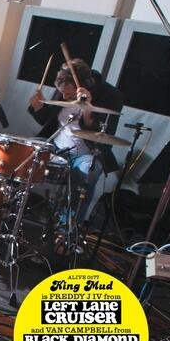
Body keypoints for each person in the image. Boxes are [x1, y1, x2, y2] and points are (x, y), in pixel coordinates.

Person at [28, 58, 123, 225]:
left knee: (88, 172)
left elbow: (105, 132)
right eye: (61, 93)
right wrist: (38, 106)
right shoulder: (64, 87)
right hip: (56, 146)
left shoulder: (111, 96)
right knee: (23, 152)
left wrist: (88, 109)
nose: (64, 97)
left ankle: (68, 227)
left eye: (68, 94)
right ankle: (15, 209)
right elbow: (46, 120)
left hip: (86, 153)